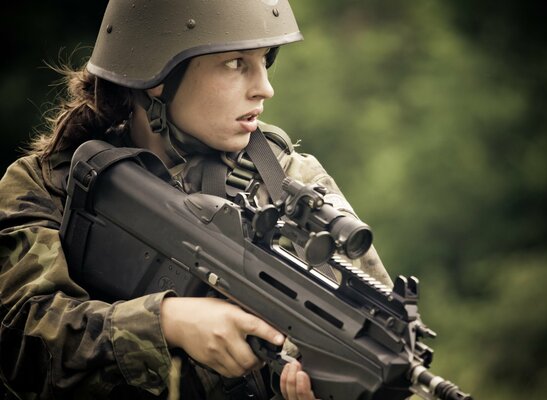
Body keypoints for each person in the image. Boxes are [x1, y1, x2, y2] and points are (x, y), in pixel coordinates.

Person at [0, 1, 392, 399]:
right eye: (237, 62)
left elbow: (369, 332)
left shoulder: (291, 183)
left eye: (264, 60)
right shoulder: (49, 186)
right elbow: (18, 345)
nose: (265, 87)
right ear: (159, 77)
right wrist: (167, 323)